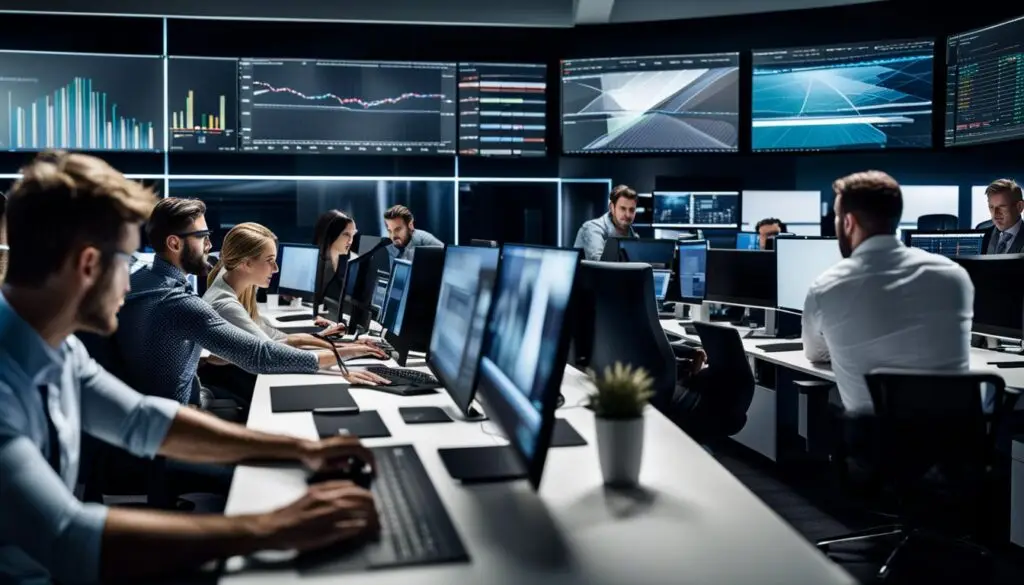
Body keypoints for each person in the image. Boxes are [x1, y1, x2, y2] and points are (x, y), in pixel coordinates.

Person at [0, 150, 379, 584]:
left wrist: (299, 450)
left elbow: (142, 418)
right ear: (88, 265)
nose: (131, 281)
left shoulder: (57, 348)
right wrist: (273, 527)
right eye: (126, 260)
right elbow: (68, 535)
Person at [115, 198, 387, 406]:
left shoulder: (144, 278)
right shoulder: (178, 302)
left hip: (155, 410)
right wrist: (341, 362)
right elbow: (261, 355)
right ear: (174, 244)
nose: (210, 245)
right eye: (202, 237)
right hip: (176, 422)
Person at [802, 170, 974, 414]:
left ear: (848, 222)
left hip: (876, 446)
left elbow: (814, 353)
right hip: (955, 444)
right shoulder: (954, 275)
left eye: (838, 218)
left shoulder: (827, 286)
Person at [204, 222, 385, 358]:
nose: (276, 268)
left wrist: (323, 340)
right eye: (269, 260)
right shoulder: (226, 305)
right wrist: (349, 351)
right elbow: (272, 352)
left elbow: (272, 337)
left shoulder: (233, 278)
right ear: (246, 263)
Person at [573, 184, 639, 260]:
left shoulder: (633, 236)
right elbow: (600, 266)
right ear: (612, 208)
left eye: (632, 210)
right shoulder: (593, 229)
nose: (627, 215)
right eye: (623, 209)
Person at [981, 178, 1024, 254]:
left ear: (1019, 207)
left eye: (1002, 206)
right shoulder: (983, 235)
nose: (995, 213)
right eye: (991, 207)